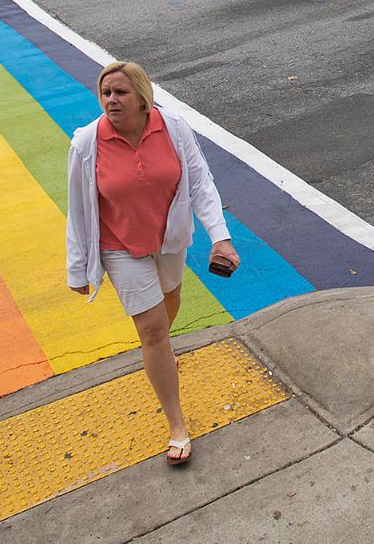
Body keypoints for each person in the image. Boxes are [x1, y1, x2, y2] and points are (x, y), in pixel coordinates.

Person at [65, 61, 241, 466]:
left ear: (143, 97)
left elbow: (200, 182)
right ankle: (177, 425)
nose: (111, 100)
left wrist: (221, 237)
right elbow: (77, 208)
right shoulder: (87, 143)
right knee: (153, 331)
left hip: (169, 240)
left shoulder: (174, 128)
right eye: (106, 93)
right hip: (119, 246)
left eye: (120, 92)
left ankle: (161, 354)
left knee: (169, 304)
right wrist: (78, 268)